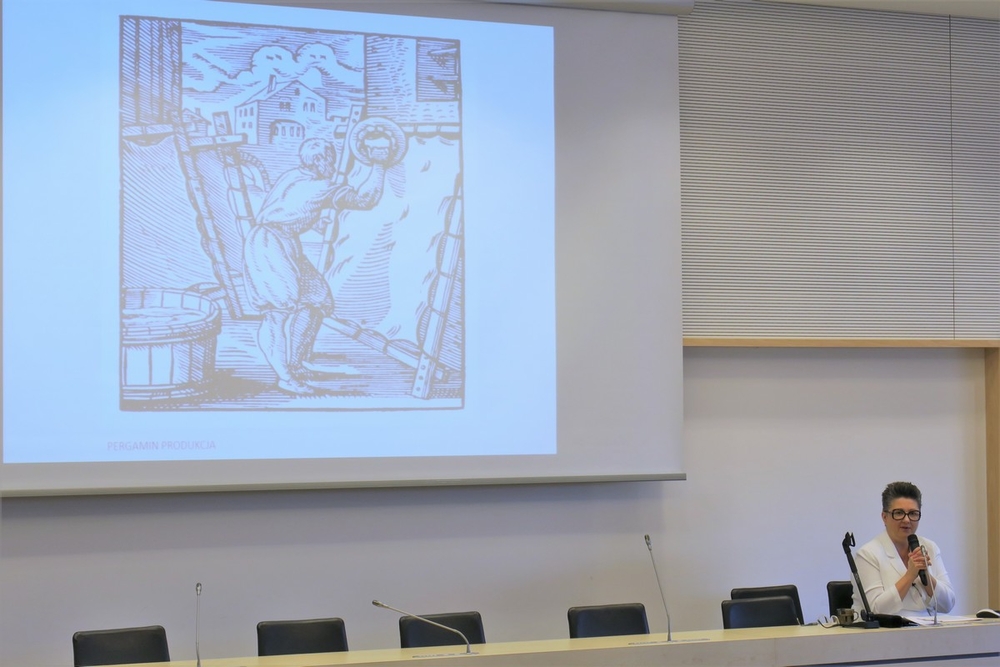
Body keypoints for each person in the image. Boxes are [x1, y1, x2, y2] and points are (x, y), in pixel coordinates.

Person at [243, 137, 387, 395]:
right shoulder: (324, 186)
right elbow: (366, 200)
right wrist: (379, 164)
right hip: (267, 245)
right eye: (330, 159)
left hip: (285, 241)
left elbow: (290, 209)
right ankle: (285, 377)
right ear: (321, 160)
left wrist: (314, 222)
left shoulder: (293, 175)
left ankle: (295, 364)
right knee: (277, 313)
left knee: (317, 300)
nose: (334, 164)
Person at [855, 481, 955, 616]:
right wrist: (910, 575)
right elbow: (874, 611)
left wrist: (926, 576)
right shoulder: (867, 554)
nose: (907, 520)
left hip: (925, 626)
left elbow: (948, 604)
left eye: (913, 513)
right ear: (884, 517)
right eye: (899, 513)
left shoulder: (929, 547)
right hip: (886, 628)